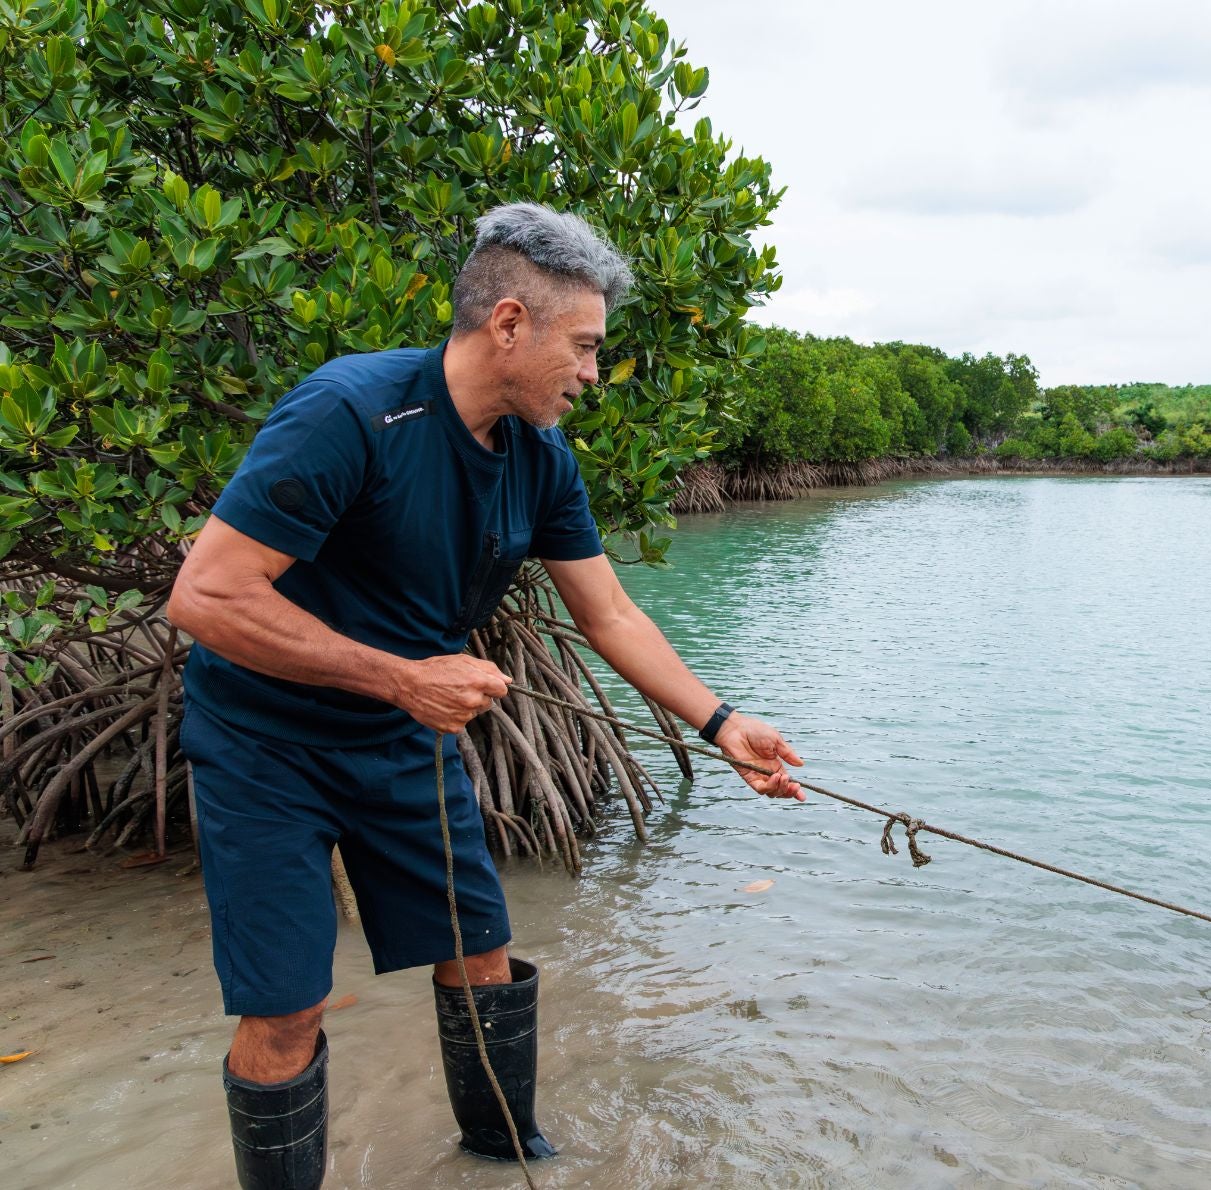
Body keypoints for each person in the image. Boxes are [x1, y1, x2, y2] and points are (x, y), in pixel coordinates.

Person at [167, 203, 804, 1189]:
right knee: (288, 1003)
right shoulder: (352, 414)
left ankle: (506, 1157)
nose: (593, 372)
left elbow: (612, 613)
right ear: (510, 323)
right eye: (584, 347)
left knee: (482, 954)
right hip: (265, 741)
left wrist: (722, 724)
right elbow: (205, 595)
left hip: (402, 741)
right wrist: (400, 675)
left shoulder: (539, 458)